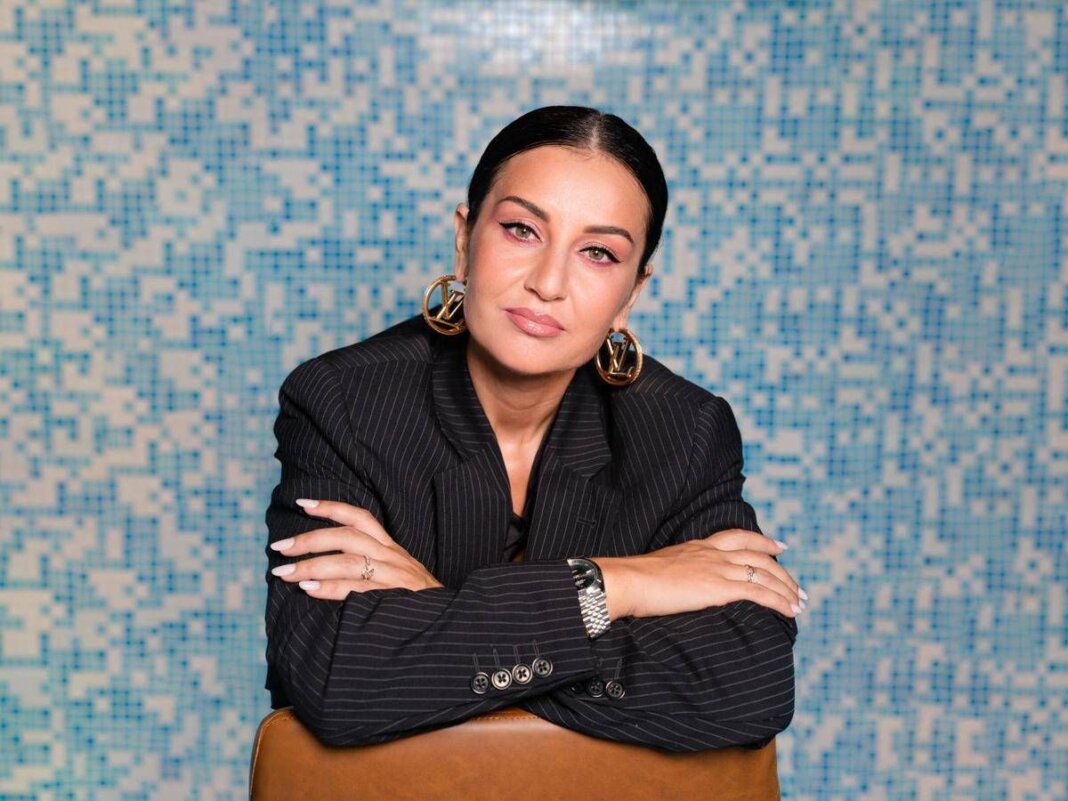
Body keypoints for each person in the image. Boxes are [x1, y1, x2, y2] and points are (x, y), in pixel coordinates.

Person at [263, 105, 804, 753]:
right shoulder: (344, 402)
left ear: (633, 291)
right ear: (465, 238)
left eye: (598, 253)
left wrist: (440, 609)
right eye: (522, 230)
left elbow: (748, 684)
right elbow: (337, 678)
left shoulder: (683, 429)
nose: (548, 283)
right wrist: (618, 584)